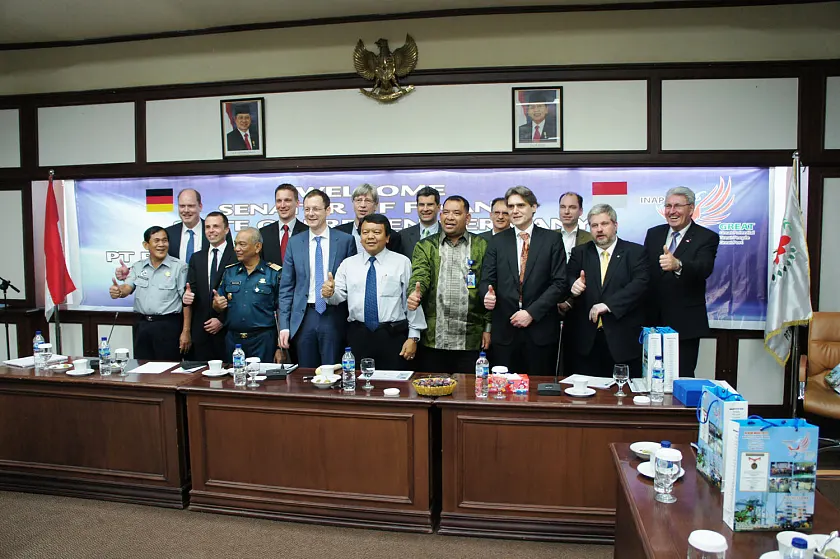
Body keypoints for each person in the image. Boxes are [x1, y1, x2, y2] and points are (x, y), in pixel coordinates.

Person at [479, 186, 567, 376]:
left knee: (539, 395)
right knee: (503, 392)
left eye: (520, 205)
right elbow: (487, 279)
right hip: (505, 332)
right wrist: (486, 294)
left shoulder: (552, 239)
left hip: (540, 330)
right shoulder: (497, 241)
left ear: (534, 207)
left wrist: (531, 313)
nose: (514, 211)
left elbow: (560, 283)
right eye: (511, 206)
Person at [322, 214, 425, 369]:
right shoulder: (348, 264)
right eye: (365, 232)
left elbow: (411, 302)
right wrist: (329, 294)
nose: (370, 237)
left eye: (376, 232)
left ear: (387, 237)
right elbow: (337, 297)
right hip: (358, 336)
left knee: (395, 387)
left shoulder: (402, 262)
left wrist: (413, 337)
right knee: (358, 386)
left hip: (392, 336)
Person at [407, 196, 491, 373]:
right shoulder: (426, 245)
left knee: (467, 395)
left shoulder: (483, 246)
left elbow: (490, 288)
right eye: (446, 212)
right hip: (434, 338)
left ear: (467, 218)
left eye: (456, 213)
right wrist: (415, 293)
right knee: (433, 393)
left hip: (470, 338)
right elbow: (420, 275)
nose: (450, 217)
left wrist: (488, 327)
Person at [643, 186, 720, 377]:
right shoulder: (654, 234)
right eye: (668, 206)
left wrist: (678, 264)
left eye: (678, 205)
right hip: (652, 321)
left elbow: (704, 268)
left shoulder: (706, 237)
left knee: (681, 377)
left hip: (685, 324)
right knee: (650, 376)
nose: (672, 211)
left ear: (691, 209)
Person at [566, 204, 649, 378]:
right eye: (594, 225)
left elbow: (640, 285)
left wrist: (608, 305)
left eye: (604, 224)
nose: (599, 229)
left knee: (622, 398)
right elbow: (566, 280)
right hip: (586, 342)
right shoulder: (580, 253)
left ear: (615, 225)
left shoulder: (635, 252)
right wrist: (573, 287)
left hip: (622, 341)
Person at [278, 190, 356, 368]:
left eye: (316, 209)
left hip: (333, 315)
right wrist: (284, 325)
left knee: (333, 372)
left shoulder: (345, 241)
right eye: (307, 209)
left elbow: (352, 284)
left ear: (328, 211)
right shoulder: (295, 242)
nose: (311, 214)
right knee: (306, 374)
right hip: (304, 316)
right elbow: (286, 287)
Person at [109, 226, 188, 361]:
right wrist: (118, 291)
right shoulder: (138, 266)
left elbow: (186, 302)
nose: (161, 245)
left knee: (168, 372)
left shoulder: (179, 267)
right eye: (156, 241)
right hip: (142, 325)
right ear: (146, 245)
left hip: (168, 326)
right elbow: (127, 287)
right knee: (143, 370)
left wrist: (186, 331)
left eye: (164, 240)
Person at [212, 227, 282, 364]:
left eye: (242, 244)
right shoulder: (229, 272)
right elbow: (218, 305)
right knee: (233, 382)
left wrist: (279, 346)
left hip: (263, 340)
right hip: (234, 341)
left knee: (262, 383)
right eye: (236, 244)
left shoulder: (274, 273)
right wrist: (217, 305)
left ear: (257, 247)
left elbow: (282, 311)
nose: (237, 248)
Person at [114, 188, 208, 280]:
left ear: (200, 206)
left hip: (207, 293)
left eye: (190, 206)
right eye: (182, 206)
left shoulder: (213, 233)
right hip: (173, 293)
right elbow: (154, 261)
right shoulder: (167, 234)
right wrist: (130, 272)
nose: (186, 210)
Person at [181, 211, 237, 361]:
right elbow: (190, 291)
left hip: (228, 332)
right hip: (201, 332)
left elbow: (242, 296)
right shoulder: (196, 257)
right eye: (207, 227)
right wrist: (186, 297)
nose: (211, 230)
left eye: (216, 226)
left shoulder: (238, 255)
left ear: (226, 229)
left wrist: (222, 320)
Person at [334, 183, 401, 254]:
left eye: (368, 201)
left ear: (376, 206)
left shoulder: (392, 236)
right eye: (359, 200)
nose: (362, 205)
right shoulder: (338, 233)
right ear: (353, 203)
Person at [259, 183, 308, 267]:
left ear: (297, 203)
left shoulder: (307, 232)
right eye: (279, 201)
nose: (282, 205)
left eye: (287, 200)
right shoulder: (263, 233)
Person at [397, 186, 441, 260]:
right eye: (421, 205)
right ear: (417, 207)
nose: (425, 209)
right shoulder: (402, 236)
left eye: (430, 205)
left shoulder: (449, 234)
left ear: (438, 207)